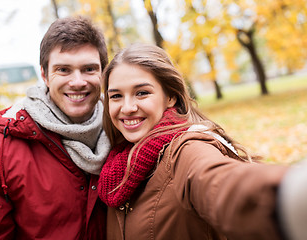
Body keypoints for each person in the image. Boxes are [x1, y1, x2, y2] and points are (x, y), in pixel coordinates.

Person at [98, 43, 290, 240]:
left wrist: (291, 197)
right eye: (116, 96)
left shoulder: (187, 149)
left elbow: (222, 183)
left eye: (142, 93)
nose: (127, 107)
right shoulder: (116, 162)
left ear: (171, 96)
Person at [0, 16, 111, 240]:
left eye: (88, 69)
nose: (77, 81)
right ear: (45, 75)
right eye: (64, 70)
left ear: (103, 73)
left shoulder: (125, 131)